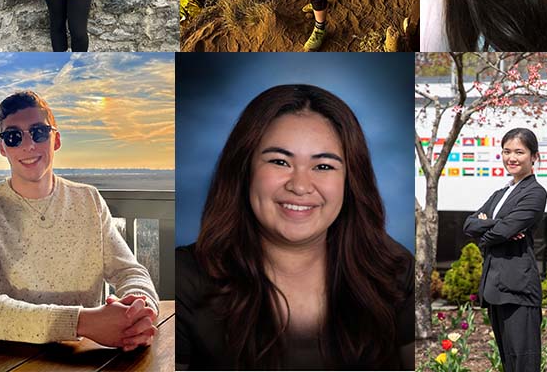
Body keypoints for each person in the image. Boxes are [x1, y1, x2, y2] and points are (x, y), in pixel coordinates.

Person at [176, 85, 413, 370]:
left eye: (323, 166)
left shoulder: (395, 271)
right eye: (279, 161)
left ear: (351, 181)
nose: (300, 186)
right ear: (243, 169)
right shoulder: (186, 277)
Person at [0, 91, 158, 353]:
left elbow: (131, 272)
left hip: (80, 360)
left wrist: (139, 309)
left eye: (38, 132)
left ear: (55, 139)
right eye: (14, 137)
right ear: (3, 148)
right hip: (1, 361)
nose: (28, 145)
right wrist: (83, 322)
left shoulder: (89, 200)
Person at [464, 128, 547, 372]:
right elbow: (469, 224)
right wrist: (496, 226)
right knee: (508, 361)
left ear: (534, 156)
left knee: (524, 362)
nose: (512, 157)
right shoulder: (500, 193)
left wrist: (488, 229)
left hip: (519, 287)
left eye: (519, 152)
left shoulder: (535, 192)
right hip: (495, 287)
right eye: (506, 151)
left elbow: (502, 231)